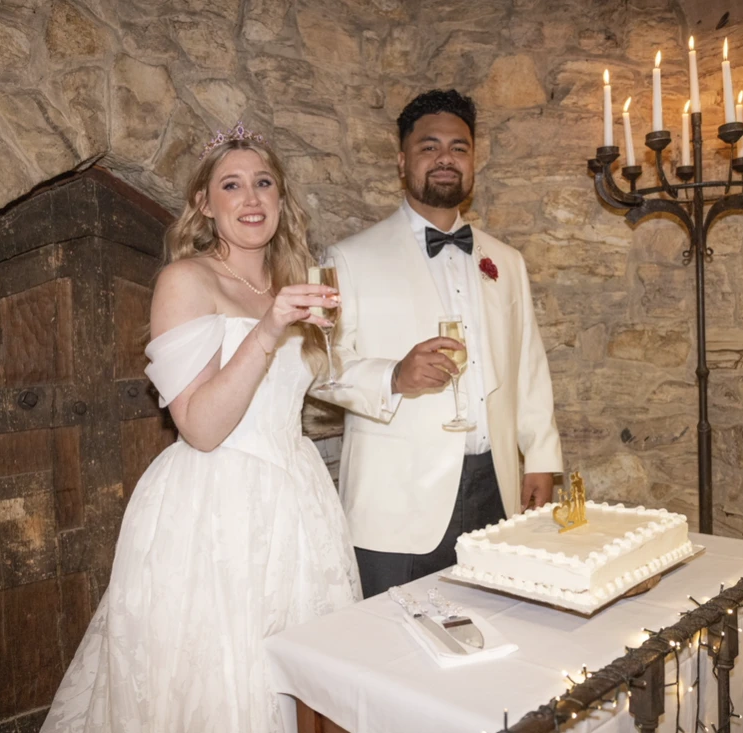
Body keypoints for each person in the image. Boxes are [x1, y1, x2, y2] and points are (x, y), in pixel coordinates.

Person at [41, 124, 361, 733]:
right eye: (231, 185)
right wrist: (269, 328)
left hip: (297, 498)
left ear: (281, 199)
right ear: (203, 204)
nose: (250, 199)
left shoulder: (290, 279)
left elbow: (311, 385)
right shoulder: (185, 281)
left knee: (307, 680)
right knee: (220, 682)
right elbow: (201, 427)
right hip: (215, 507)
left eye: (263, 183)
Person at [320, 90, 564, 599]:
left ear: (472, 161)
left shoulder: (507, 261)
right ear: (402, 161)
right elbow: (322, 365)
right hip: (396, 505)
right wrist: (394, 376)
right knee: (391, 652)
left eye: (459, 147)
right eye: (429, 147)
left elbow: (528, 366)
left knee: (496, 633)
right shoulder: (349, 258)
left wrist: (540, 456)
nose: (446, 158)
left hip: (494, 489)